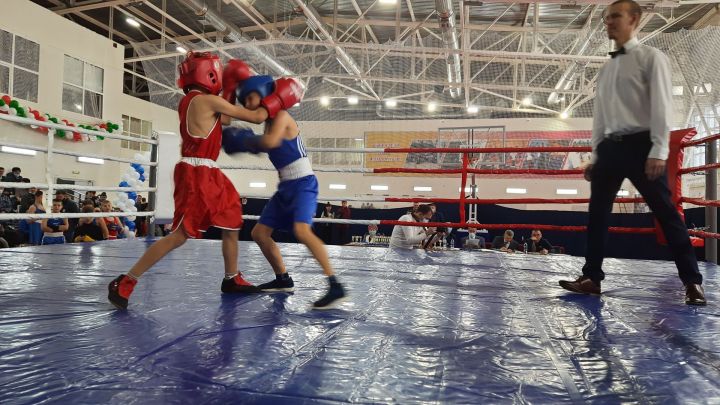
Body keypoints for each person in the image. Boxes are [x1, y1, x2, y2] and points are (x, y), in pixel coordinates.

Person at [558, 0, 705, 305]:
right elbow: (601, 116)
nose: (608, 22)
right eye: (606, 18)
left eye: (615, 16)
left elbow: (664, 104)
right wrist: (596, 156)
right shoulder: (607, 68)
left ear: (634, 19)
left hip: (643, 146)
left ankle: (692, 282)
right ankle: (591, 278)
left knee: (666, 213)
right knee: (597, 215)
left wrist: (658, 150)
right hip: (611, 147)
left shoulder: (652, 58)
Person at [107, 52, 272, 310]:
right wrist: (277, 98)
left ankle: (232, 278)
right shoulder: (206, 100)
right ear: (209, 73)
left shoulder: (193, 100)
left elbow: (225, 119)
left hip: (210, 172)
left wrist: (229, 87)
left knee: (231, 221)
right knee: (180, 235)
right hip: (196, 174)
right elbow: (256, 117)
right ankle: (126, 281)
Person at [222, 74, 346, 310]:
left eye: (250, 97)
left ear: (264, 93)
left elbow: (269, 143)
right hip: (285, 187)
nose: (247, 103)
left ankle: (335, 284)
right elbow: (263, 137)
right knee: (259, 233)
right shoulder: (268, 122)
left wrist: (245, 141)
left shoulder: (281, 116)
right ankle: (283, 279)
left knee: (301, 230)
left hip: (303, 183)